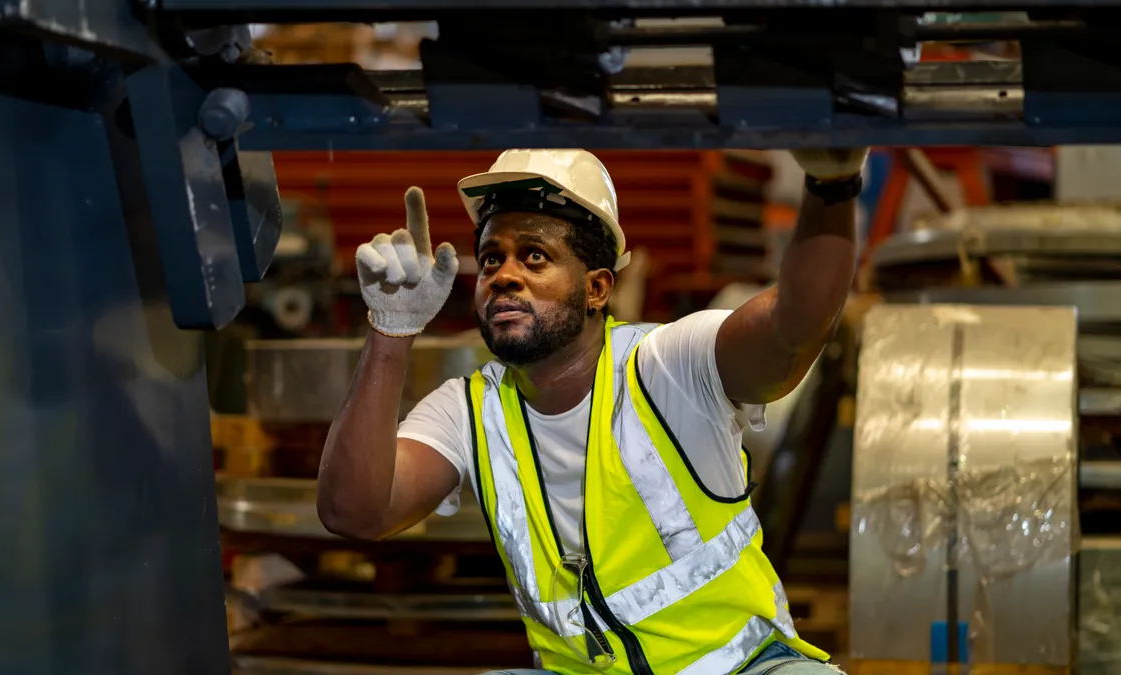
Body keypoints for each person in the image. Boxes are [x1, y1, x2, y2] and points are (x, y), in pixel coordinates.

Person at [317, 148, 866, 675]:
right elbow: (356, 512)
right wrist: (391, 329)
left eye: (534, 255)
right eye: (491, 259)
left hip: (743, 667)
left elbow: (792, 330)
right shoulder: (470, 411)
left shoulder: (666, 366)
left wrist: (831, 187)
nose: (504, 274)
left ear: (597, 288)